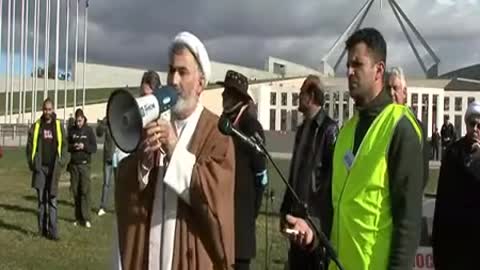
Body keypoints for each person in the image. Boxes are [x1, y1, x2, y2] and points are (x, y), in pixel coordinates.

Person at [284, 28, 424, 270]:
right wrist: (313, 232)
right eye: (348, 64)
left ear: (379, 70)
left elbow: (408, 224)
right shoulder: (346, 131)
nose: (349, 72)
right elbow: (333, 204)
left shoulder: (401, 128)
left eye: (357, 64)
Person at [112, 31, 235, 270]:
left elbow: (214, 197)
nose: (174, 80)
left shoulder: (216, 133)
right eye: (171, 70)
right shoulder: (156, 122)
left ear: (201, 83)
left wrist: (174, 148)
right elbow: (127, 189)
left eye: (183, 72)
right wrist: (144, 165)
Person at [279, 75, 338, 270]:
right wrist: (285, 209)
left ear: (312, 95)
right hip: (296, 219)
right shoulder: (302, 129)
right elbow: (295, 174)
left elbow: (331, 182)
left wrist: (318, 223)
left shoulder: (329, 130)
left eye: (302, 91)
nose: (298, 96)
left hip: (314, 224)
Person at [219, 70, 267, 270]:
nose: (223, 97)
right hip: (219, 223)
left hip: (240, 227)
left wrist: (249, 215)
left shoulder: (251, 128)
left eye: (228, 93)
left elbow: (261, 179)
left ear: (239, 98)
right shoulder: (221, 124)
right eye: (224, 92)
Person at [432, 101, 480, 269]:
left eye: (479, 125)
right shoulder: (453, 153)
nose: (475, 129)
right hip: (454, 244)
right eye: (471, 123)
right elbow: (442, 201)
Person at [26, 98, 67, 240]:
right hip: (41, 168)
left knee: (53, 200)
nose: (47, 112)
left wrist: (61, 162)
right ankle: (41, 230)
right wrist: (33, 163)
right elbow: (30, 145)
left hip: (54, 169)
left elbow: (64, 146)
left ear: (53, 110)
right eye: (45, 109)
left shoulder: (58, 126)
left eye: (49, 109)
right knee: (41, 200)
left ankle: (53, 232)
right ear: (42, 109)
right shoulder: (37, 126)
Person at [387, 66, 429, 187]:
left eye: (395, 88)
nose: (391, 93)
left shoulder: (416, 127)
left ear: (404, 92)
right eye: (387, 88)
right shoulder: (376, 125)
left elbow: (423, 174)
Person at [67, 109, 97, 228]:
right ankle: (77, 217)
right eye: (77, 121)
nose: (78, 123)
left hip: (85, 165)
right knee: (75, 191)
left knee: (84, 191)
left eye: (80, 120)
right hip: (74, 165)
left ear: (84, 119)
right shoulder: (71, 130)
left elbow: (94, 148)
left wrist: (84, 146)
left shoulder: (89, 131)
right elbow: (67, 146)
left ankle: (86, 218)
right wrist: (73, 146)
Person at [96, 116, 115, 216]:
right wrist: (103, 123)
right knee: (106, 183)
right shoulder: (107, 123)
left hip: (118, 157)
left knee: (119, 184)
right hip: (108, 157)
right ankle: (103, 206)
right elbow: (99, 134)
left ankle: (119, 207)